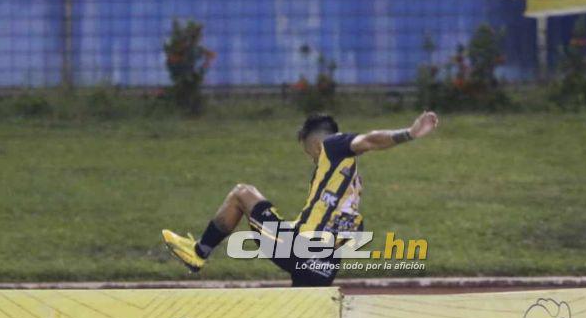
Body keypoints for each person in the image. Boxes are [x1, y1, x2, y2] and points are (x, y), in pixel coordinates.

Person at [162, 110, 440, 286]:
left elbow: (369, 140)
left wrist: (409, 133)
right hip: (324, 266)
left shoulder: (333, 146)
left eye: (307, 150)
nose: (309, 157)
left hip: (301, 251)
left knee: (242, 194)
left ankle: (198, 253)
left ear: (315, 143)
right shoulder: (350, 180)